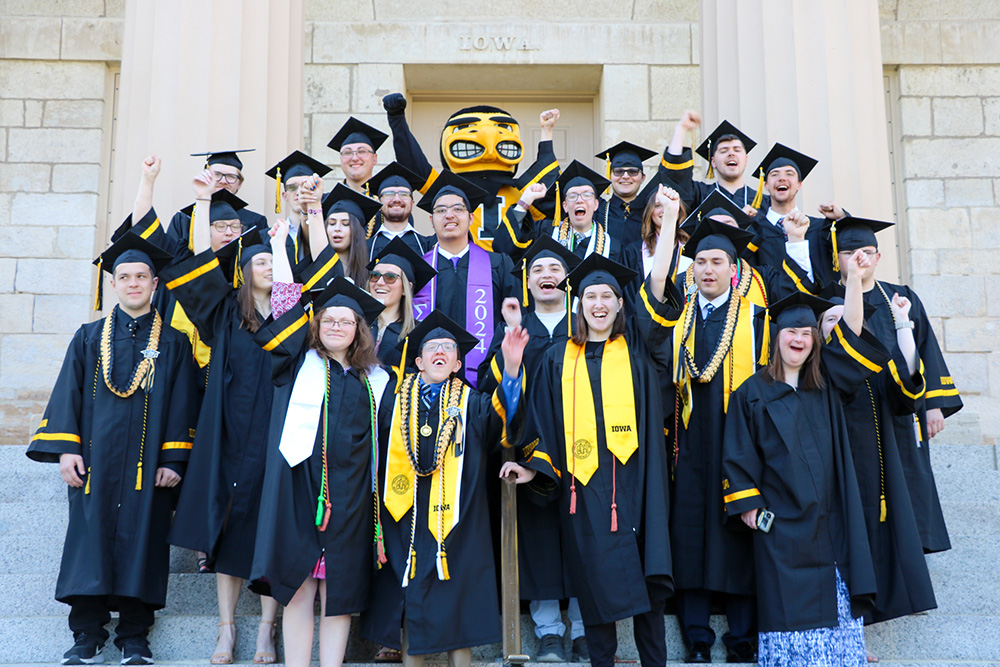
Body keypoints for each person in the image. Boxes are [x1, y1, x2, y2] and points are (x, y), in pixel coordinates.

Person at [29, 232, 198, 666]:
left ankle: (134, 636)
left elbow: (183, 402)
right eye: (125, 277)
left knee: (145, 541)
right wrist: (67, 449)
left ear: (155, 283)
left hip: (148, 466)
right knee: (89, 542)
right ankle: (87, 634)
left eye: (141, 276)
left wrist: (173, 457)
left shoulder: (174, 343)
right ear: (113, 284)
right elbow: (67, 393)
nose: (133, 283)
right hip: (95, 464)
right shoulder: (88, 337)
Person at [721, 255, 886, 667]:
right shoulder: (751, 393)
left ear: (815, 341)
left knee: (836, 591)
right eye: (791, 331)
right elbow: (738, 452)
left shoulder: (827, 384)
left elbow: (851, 334)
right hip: (781, 519)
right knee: (785, 598)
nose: (798, 339)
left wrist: (853, 279)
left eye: (806, 333)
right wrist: (748, 504)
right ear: (776, 337)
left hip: (832, 517)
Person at [249, 219, 395, 667]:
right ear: (315, 326)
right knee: (298, 588)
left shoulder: (377, 380)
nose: (335, 326)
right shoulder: (297, 362)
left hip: (353, 498)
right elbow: (284, 306)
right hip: (298, 491)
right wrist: (281, 245)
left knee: (339, 591)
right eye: (327, 319)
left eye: (345, 321)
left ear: (359, 329)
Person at [515, 253, 673, 667]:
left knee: (647, 582)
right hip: (583, 491)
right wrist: (532, 467)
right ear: (578, 304)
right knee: (594, 582)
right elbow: (542, 420)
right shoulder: (557, 359)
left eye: (607, 296)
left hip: (638, 487)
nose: (598, 304)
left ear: (620, 304)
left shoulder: (637, 357)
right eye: (590, 296)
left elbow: (658, 287)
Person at [636, 189, 764, 664]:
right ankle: (697, 640)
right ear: (691, 269)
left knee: (738, 533)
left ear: (733, 269)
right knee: (688, 534)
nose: (708, 269)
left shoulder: (757, 320)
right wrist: (670, 221)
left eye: (717, 262)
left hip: (739, 443)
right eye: (701, 261)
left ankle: (742, 639)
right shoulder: (677, 317)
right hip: (684, 444)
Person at [359, 311, 528, 667]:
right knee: (410, 598)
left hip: (458, 523)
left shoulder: (472, 403)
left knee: (458, 603)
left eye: (448, 348)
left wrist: (512, 370)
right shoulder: (392, 401)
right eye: (432, 347)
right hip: (403, 519)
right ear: (419, 361)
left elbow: (502, 421)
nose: (440, 351)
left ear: (457, 364)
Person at [160, 226, 280, 664]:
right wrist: (203, 203)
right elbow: (198, 271)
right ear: (245, 271)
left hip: (276, 436)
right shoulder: (226, 310)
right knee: (225, 533)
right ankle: (225, 629)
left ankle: (267, 629)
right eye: (261, 262)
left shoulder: (292, 314)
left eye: (273, 261)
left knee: (271, 529)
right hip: (228, 434)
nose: (268, 268)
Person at [822, 216, 960, 554]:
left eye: (866, 252)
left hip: (900, 406)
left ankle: (912, 548)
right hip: (852, 410)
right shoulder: (827, 301)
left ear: (878, 257)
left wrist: (933, 404)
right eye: (849, 252)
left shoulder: (901, 296)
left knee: (909, 474)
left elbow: (926, 346)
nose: (859, 258)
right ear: (837, 259)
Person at [479, 235, 586, 662]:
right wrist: (511, 339)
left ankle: (584, 629)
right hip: (530, 449)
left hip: (582, 447)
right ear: (527, 281)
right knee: (538, 539)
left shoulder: (585, 323)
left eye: (555, 268)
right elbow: (494, 389)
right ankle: (548, 632)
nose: (546, 275)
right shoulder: (516, 328)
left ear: (567, 278)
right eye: (538, 269)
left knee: (583, 536)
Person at [817, 282, 937, 637]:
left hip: (871, 475)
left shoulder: (877, 366)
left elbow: (909, 384)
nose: (839, 324)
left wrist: (902, 325)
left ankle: (861, 627)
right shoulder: (816, 369)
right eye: (830, 319)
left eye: (845, 317)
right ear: (819, 330)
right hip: (829, 477)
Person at [382, 94, 561, 251]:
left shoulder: (522, 193)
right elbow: (415, 168)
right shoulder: (450, 189)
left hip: (509, 268)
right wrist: (397, 119)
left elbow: (550, 207)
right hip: (465, 267)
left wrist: (547, 132)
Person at [410, 171, 519, 388]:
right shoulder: (417, 269)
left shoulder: (498, 265)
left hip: (485, 383)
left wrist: (493, 370)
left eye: (458, 209)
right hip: (429, 384)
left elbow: (511, 321)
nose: (449, 215)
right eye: (441, 210)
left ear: (470, 218)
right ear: (431, 220)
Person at [746, 143, 846, 285]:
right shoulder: (755, 231)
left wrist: (842, 218)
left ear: (799, 184)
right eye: (775, 174)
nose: (782, 178)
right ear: (766, 185)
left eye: (789, 174)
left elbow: (851, 246)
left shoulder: (819, 228)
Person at [495, 160, 620, 263]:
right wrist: (524, 202)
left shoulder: (611, 246)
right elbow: (506, 248)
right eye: (572, 196)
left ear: (596, 204)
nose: (579, 200)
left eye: (587, 195)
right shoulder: (545, 232)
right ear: (565, 206)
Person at [660, 112, 769, 214]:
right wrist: (681, 130)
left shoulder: (764, 203)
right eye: (724, 151)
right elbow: (675, 178)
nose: (731, 153)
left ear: (746, 159)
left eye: (737, 150)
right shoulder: (700, 195)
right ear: (713, 162)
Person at [166, 149, 270, 250]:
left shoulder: (256, 221)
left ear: (239, 184)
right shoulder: (184, 219)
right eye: (217, 175)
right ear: (206, 178)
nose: (223, 181)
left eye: (231, 176)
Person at [367, 237, 436, 369]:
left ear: (406, 288)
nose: (380, 282)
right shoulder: (356, 324)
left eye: (390, 277)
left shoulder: (416, 334)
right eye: (375, 275)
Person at [265, 150, 334, 263]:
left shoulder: (331, 232)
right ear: (284, 196)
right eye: (292, 187)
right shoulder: (268, 237)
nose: (299, 192)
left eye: (306, 185)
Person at [594, 141, 659, 248]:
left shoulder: (651, 212)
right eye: (618, 171)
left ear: (643, 177)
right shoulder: (596, 211)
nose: (625, 176)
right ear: (610, 176)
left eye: (633, 171)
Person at [365, 161, 436, 258]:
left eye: (404, 194)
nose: (397, 199)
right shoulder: (365, 248)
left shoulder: (428, 246)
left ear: (412, 204)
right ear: (379, 204)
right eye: (389, 194)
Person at [327, 116, 388, 194]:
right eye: (347, 152)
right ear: (341, 159)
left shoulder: (385, 199)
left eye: (362, 151)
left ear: (374, 159)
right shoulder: (325, 200)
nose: (355, 158)